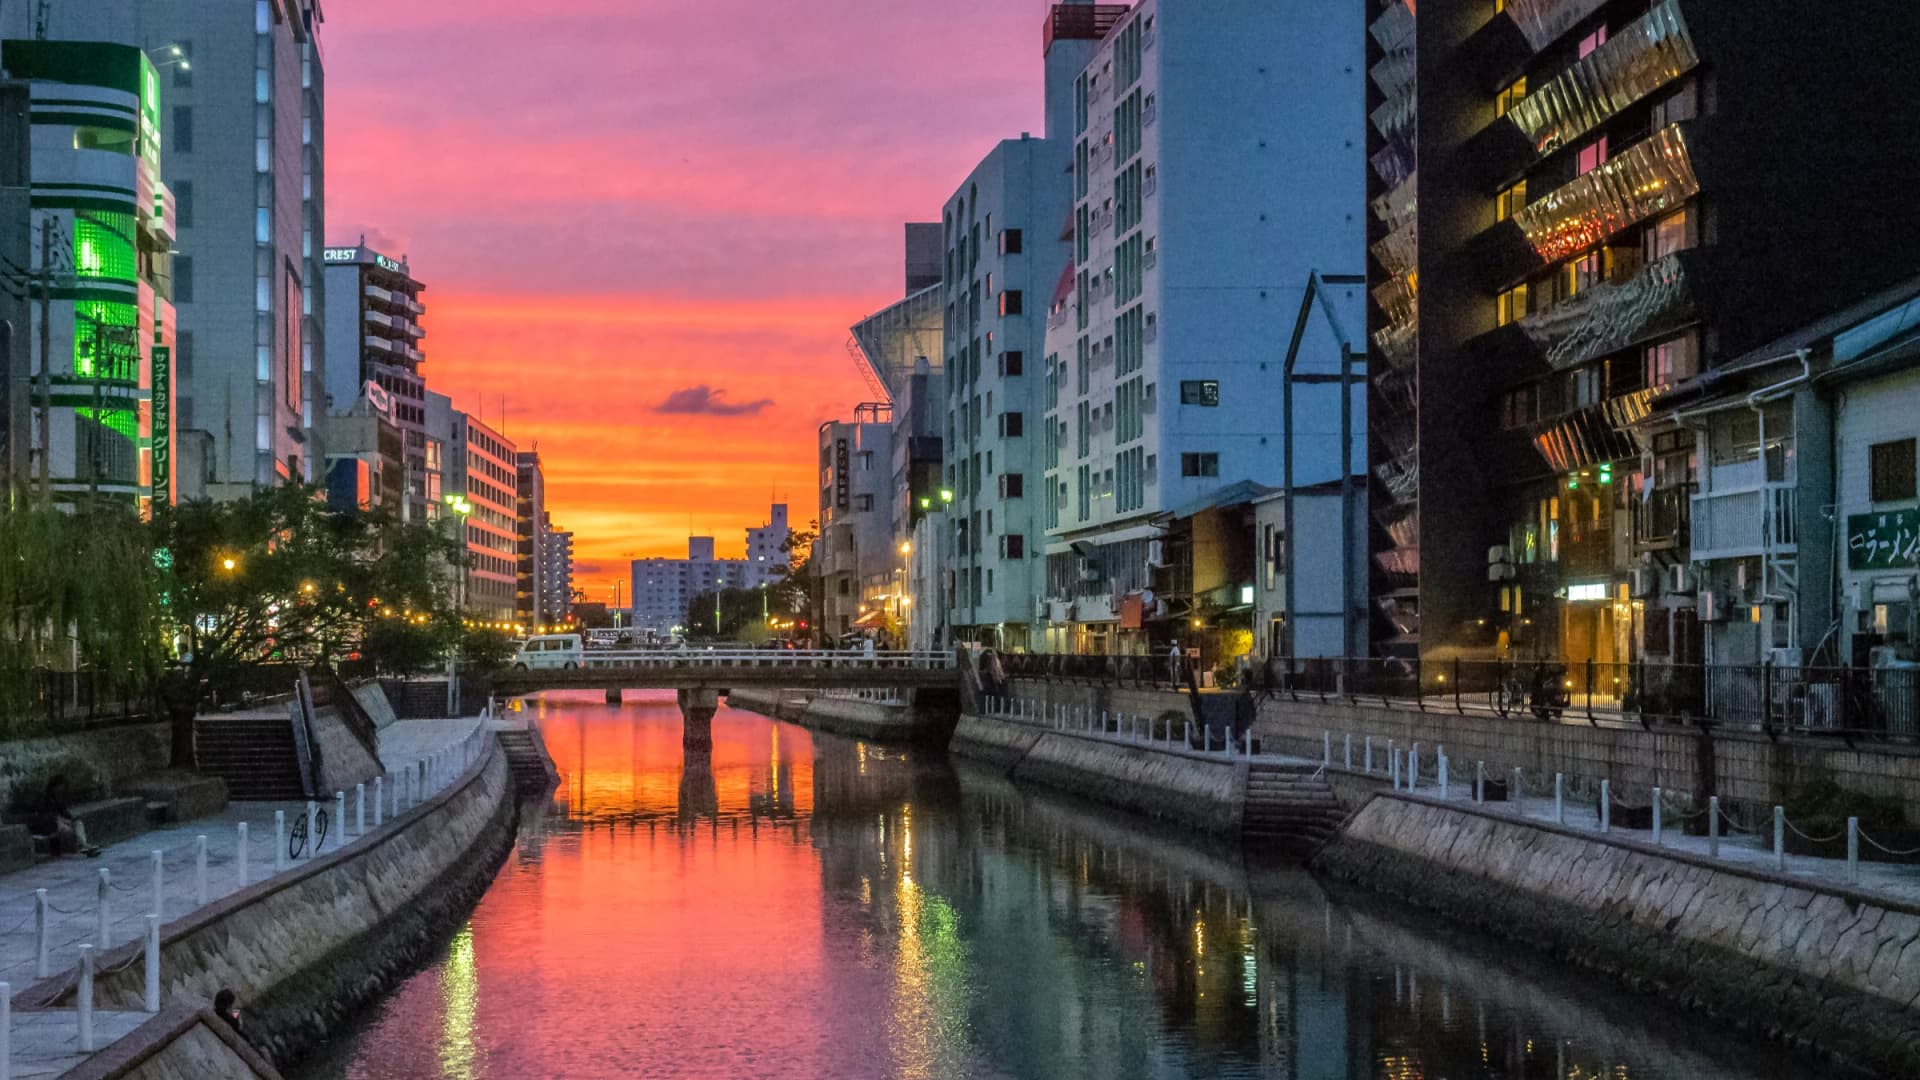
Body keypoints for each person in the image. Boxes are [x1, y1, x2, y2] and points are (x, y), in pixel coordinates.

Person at [26, 775, 89, 856]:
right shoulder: (44, 800)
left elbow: (67, 815)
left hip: (59, 824)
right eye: (58, 789)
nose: (60, 791)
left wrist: (71, 820)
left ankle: (84, 844)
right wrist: (58, 819)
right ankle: (81, 846)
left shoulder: (59, 801)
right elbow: (43, 817)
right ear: (53, 788)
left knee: (78, 823)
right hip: (47, 826)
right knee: (66, 829)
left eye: (62, 789)